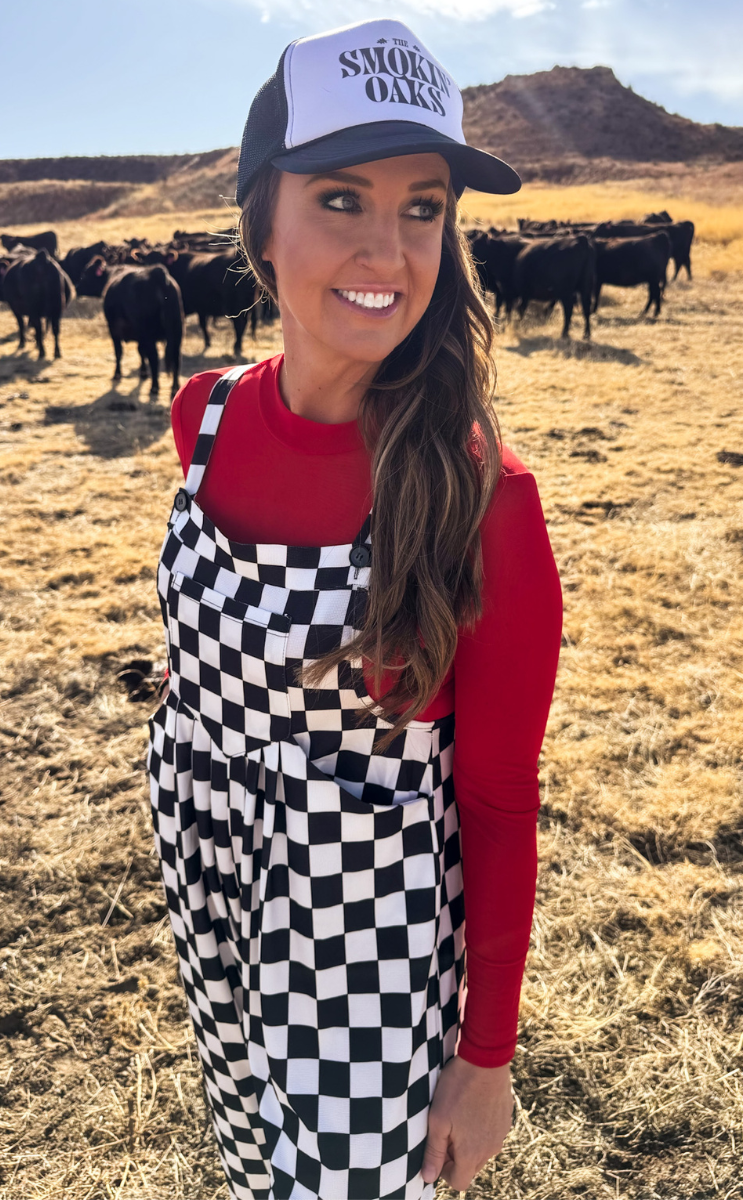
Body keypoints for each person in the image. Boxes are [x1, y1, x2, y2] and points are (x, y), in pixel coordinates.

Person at [147, 18, 562, 1200]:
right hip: (210, 882)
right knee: (249, 1166)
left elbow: (496, 800)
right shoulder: (201, 417)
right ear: (260, 224)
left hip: (368, 947)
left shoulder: (484, 497)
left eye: (422, 207)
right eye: (340, 198)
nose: (388, 248)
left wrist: (485, 1060)